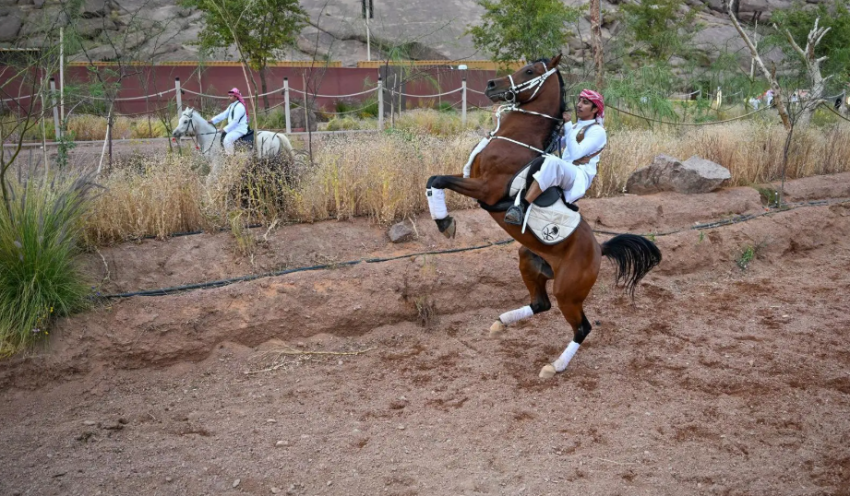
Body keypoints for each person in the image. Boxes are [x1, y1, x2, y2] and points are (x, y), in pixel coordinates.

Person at [504, 89, 607, 226]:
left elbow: (576, 154)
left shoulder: (597, 131)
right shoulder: (576, 127)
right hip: (565, 171)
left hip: (579, 176)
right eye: (579, 101)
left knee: (553, 161)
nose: (579, 105)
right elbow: (552, 147)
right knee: (542, 158)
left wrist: (568, 126)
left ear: (595, 109)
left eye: (585, 103)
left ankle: (522, 206)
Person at [209, 87, 250, 155]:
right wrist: (212, 120)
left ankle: (230, 158)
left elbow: (235, 121)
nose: (229, 97)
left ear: (236, 97)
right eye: (229, 96)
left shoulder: (239, 106)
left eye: (231, 96)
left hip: (239, 129)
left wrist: (225, 129)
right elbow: (224, 114)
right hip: (233, 129)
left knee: (227, 140)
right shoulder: (232, 106)